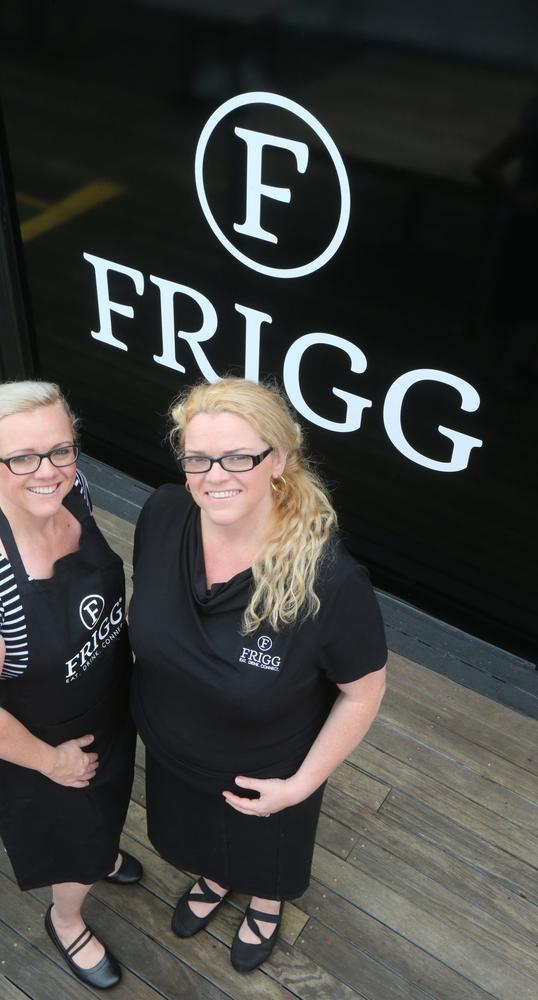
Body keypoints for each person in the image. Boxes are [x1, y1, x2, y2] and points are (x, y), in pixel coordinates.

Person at [129, 377, 387, 973]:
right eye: (198, 457)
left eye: (240, 456)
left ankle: (264, 901)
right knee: (201, 844)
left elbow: (362, 691)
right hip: (173, 760)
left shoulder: (330, 581)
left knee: (265, 856)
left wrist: (298, 787)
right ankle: (217, 878)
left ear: (281, 460)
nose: (215, 475)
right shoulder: (164, 513)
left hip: (267, 779)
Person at [0, 381, 140, 990]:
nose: (46, 472)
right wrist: (52, 763)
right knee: (68, 841)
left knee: (104, 812)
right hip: (40, 742)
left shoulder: (74, 494)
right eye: (22, 458)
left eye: (60, 451)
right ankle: (66, 917)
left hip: (106, 707)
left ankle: (101, 854)